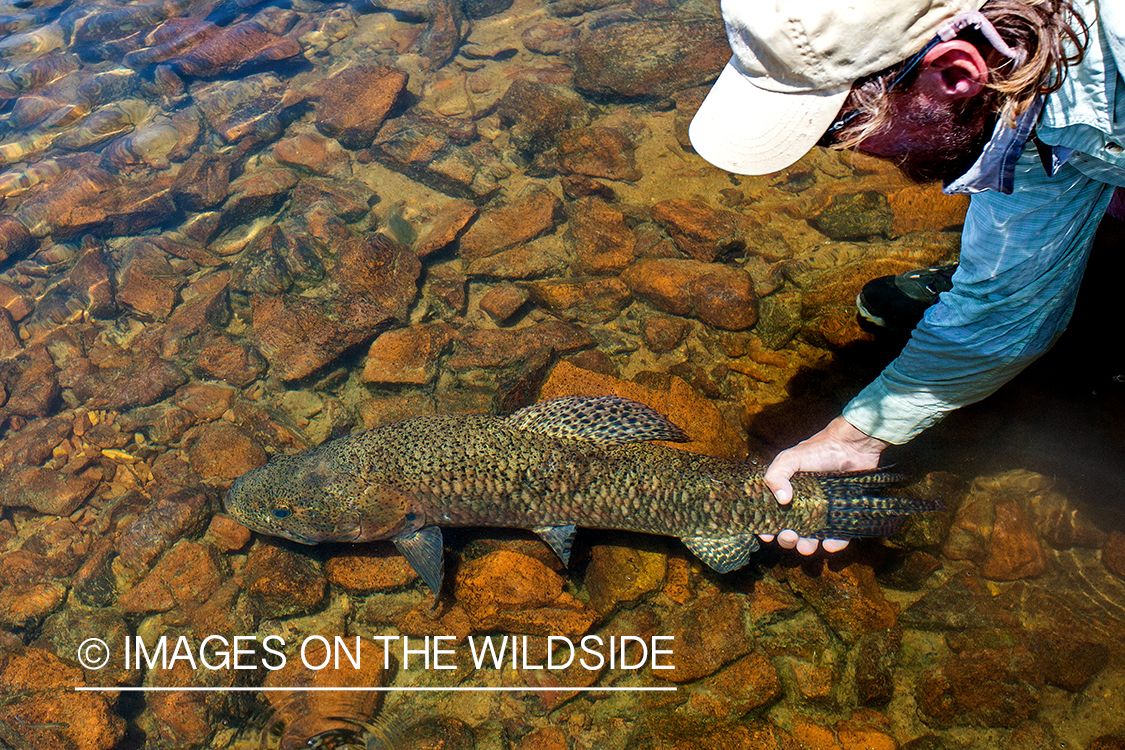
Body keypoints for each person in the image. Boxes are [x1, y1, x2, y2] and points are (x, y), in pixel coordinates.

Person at [688, 0, 1125, 555]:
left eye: (838, 128)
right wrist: (857, 437)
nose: (845, 152)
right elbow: (1004, 310)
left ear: (954, 74)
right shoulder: (1020, 97)